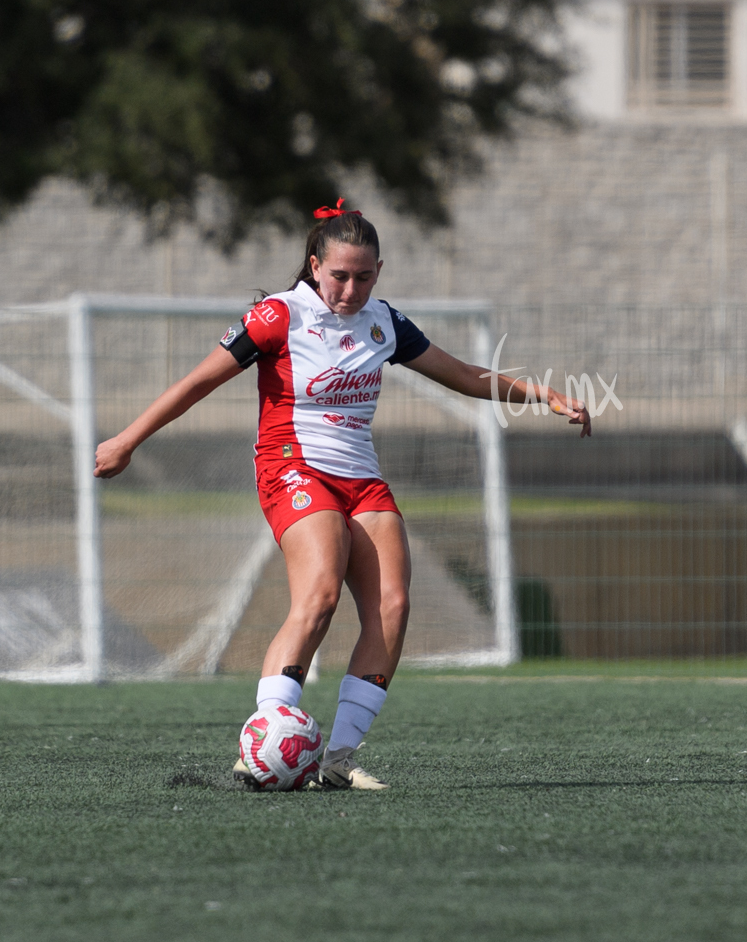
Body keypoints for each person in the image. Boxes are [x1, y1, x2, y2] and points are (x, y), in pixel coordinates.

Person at [92, 202, 591, 790]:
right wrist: (127, 440)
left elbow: (459, 373)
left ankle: (338, 759)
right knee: (321, 593)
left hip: (361, 476)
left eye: (364, 275)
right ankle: (265, 737)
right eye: (339, 276)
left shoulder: (384, 322)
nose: (351, 289)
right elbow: (197, 381)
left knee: (393, 607)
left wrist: (539, 393)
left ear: (380, 270)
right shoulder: (277, 316)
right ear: (314, 266)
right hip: (292, 467)